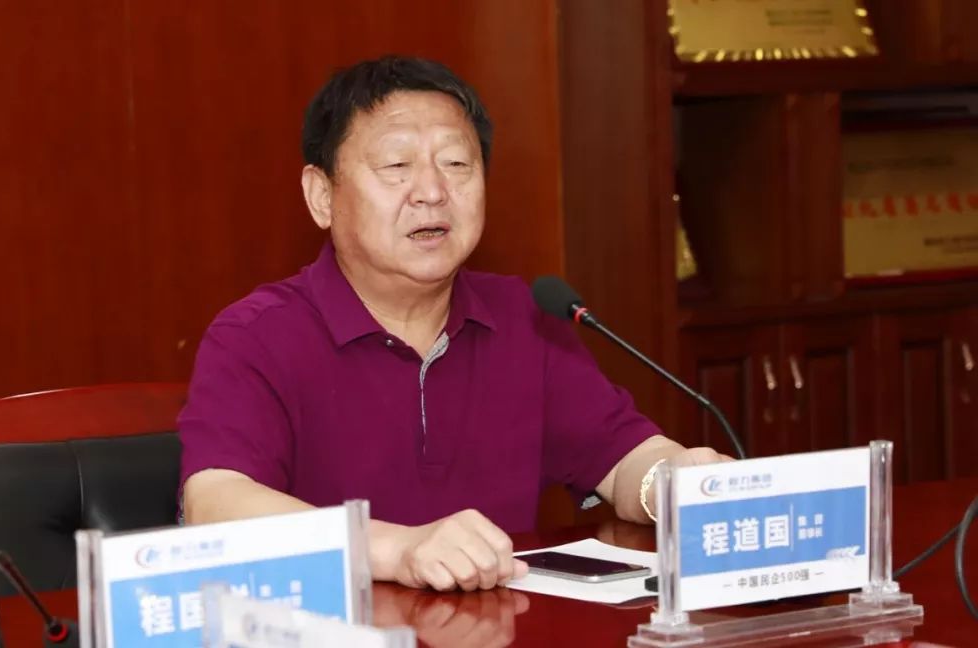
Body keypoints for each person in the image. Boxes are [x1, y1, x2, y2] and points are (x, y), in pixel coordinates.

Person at [178, 56, 728, 593]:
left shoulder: (524, 317)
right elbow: (218, 502)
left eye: (457, 163)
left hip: (505, 631)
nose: (432, 191)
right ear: (322, 196)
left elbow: (624, 460)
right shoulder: (257, 336)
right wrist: (398, 549)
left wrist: (671, 482)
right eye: (396, 166)